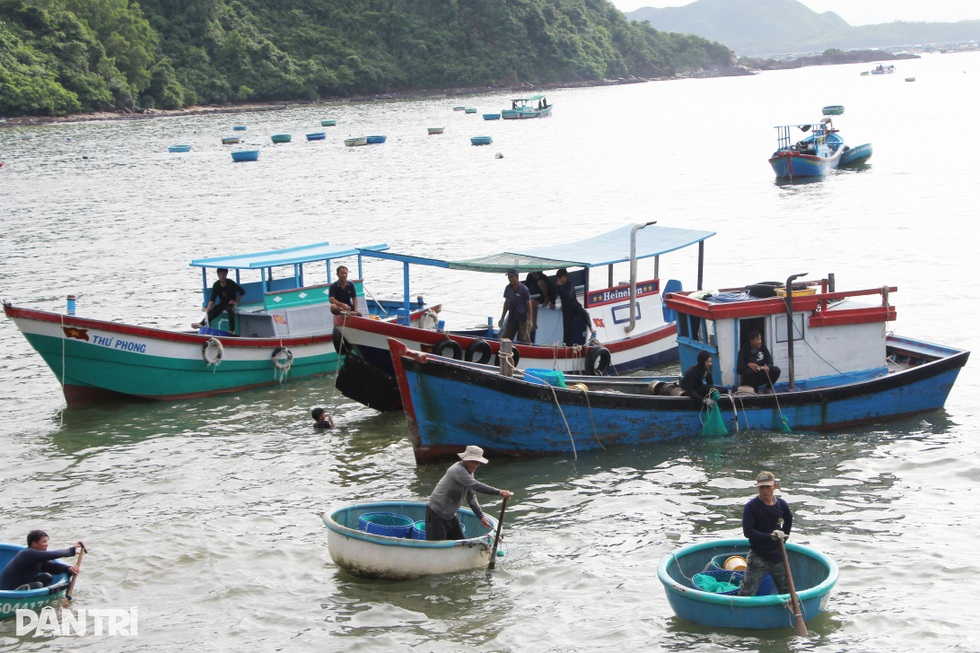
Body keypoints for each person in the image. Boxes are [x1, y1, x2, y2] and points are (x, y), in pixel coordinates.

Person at [425, 445, 513, 541]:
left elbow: (471, 497)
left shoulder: (470, 473)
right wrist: (499, 492)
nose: (475, 465)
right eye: (473, 461)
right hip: (437, 512)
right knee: (438, 544)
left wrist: (481, 516)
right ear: (465, 460)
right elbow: (476, 485)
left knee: (460, 540)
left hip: (451, 514)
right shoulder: (458, 470)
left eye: (477, 462)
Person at [738, 471, 792, 596]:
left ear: (775, 486)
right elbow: (748, 532)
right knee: (746, 592)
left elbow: (788, 519)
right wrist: (769, 537)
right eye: (762, 487)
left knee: (787, 591)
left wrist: (784, 537)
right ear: (758, 488)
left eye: (768, 487)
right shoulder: (751, 507)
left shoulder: (781, 504)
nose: (765, 490)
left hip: (778, 556)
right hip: (758, 556)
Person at [0, 530, 82, 591]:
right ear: (34, 544)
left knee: (47, 577)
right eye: (44, 542)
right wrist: (70, 550)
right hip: (8, 590)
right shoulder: (27, 554)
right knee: (38, 585)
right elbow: (52, 554)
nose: (47, 544)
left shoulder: (36, 559)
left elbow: (51, 567)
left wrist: (68, 568)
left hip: (22, 584)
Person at [195, 268, 246, 332]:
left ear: (226, 274)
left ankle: (231, 330)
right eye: (220, 274)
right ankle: (201, 324)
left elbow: (242, 292)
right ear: (218, 275)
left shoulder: (230, 283)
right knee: (213, 310)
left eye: (224, 274)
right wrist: (208, 306)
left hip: (230, 303)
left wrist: (235, 301)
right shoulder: (216, 285)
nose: (222, 277)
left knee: (231, 311)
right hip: (222, 303)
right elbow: (212, 298)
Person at [555, 268, 594, 346]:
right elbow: (555, 294)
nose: (559, 280)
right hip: (566, 309)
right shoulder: (559, 286)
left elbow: (567, 295)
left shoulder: (570, 284)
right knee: (566, 329)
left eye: (560, 278)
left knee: (584, 313)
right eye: (558, 278)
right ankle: (565, 344)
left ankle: (591, 327)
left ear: (565, 277)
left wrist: (560, 287)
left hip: (574, 306)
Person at [498, 269, 534, 344]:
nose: (509, 279)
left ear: (517, 277)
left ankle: (526, 352)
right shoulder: (508, 288)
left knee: (524, 340)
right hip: (511, 318)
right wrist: (502, 317)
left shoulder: (524, 289)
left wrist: (530, 320)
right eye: (508, 277)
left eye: (511, 277)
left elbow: (529, 305)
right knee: (505, 339)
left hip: (522, 319)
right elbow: (506, 303)